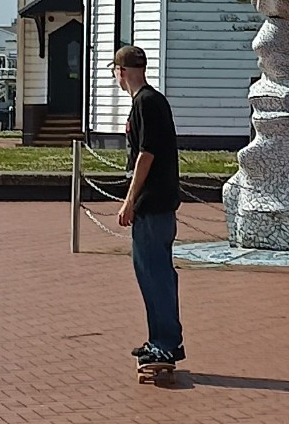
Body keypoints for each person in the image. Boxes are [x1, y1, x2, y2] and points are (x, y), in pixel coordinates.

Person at [113, 44, 183, 370]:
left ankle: (166, 343)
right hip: (155, 206)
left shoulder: (146, 103)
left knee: (156, 276)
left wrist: (129, 201)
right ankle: (159, 340)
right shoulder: (150, 102)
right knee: (151, 275)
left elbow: (147, 154)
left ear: (121, 72)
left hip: (153, 206)